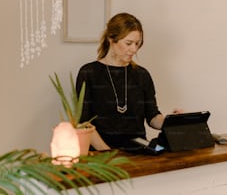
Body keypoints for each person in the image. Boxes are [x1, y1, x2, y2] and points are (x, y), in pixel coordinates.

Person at [76, 12, 182, 151]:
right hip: (102, 155)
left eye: (137, 43)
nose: (134, 49)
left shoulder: (142, 75)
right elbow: (85, 122)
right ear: (111, 39)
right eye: (128, 43)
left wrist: (171, 123)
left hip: (138, 149)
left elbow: (152, 116)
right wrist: (107, 153)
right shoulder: (89, 73)